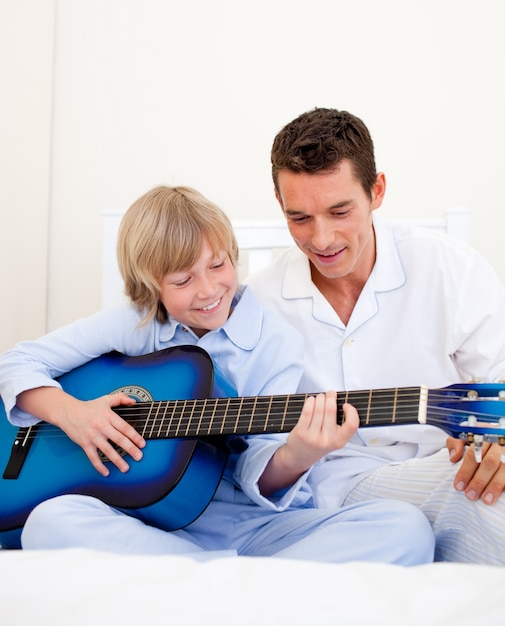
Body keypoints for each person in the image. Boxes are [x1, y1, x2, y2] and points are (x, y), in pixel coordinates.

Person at [0, 185, 434, 564]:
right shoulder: (138, 324)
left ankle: (196, 586)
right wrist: (72, 414)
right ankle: (241, 590)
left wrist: (299, 453)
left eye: (218, 265)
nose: (208, 290)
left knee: (405, 527)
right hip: (149, 525)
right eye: (183, 279)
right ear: (151, 286)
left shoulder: (273, 340)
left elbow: (261, 470)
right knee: (48, 522)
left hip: (252, 528)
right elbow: (15, 362)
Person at [246, 107, 505, 565]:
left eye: (339, 211)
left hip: (446, 463)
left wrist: (498, 445)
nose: (321, 239)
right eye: (299, 218)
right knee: (475, 496)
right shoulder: (258, 305)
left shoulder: (449, 268)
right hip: (344, 494)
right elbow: (253, 463)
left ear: (377, 190)